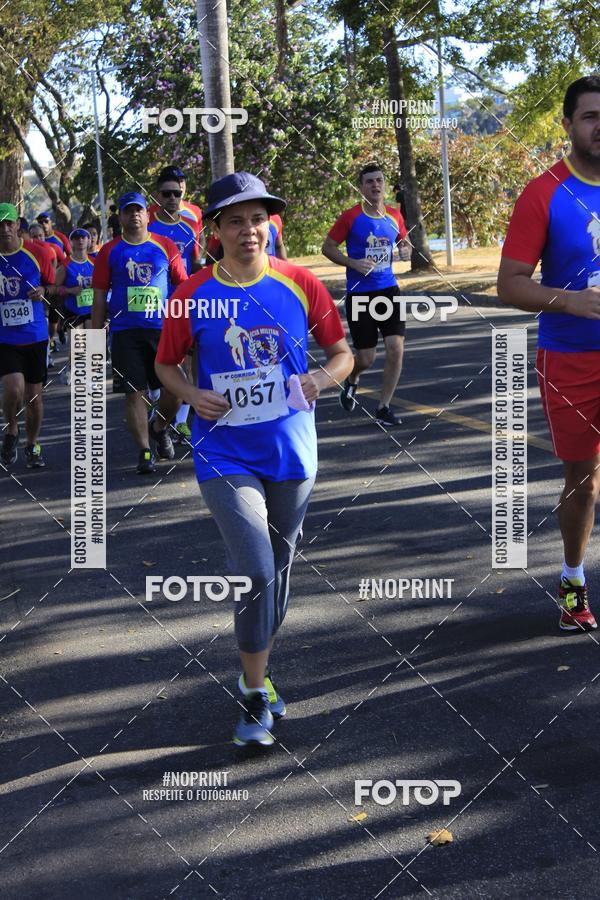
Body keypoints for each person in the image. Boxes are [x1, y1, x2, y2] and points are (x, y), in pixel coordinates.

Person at [155, 172, 353, 747]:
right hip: (223, 451)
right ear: (214, 229)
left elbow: (340, 354)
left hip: (292, 452)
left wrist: (320, 377)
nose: (249, 230)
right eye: (235, 220)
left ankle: (261, 678)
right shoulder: (190, 293)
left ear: (271, 226)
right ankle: (251, 696)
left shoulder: (301, 284)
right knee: (256, 570)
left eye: (258, 219)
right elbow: (167, 365)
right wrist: (192, 395)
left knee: (279, 575)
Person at [498, 75, 600, 633]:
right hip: (572, 358)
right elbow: (510, 285)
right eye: (590, 116)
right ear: (568, 125)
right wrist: (572, 302)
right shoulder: (544, 193)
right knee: (583, 478)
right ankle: (572, 576)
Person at [91, 191, 188, 474]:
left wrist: (187, 325)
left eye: (139, 210)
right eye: (127, 211)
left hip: (162, 331)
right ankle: (145, 452)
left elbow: (183, 287)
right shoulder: (109, 251)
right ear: (120, 217)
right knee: (134, 393)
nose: (134, 215)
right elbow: (99, 297)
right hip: (125, 332)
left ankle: (158, 428)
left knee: (175, 389)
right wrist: (95, 338)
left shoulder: (166, 246)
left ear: (148, 215)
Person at [322, 163, 411, 427]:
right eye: (369, 181)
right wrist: (352, 263)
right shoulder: (350, 217)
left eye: (379, 180)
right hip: (361, 295)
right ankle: (352, 379)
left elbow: (403, 241)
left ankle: (383, 407)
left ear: (384, 185)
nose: (375, 185)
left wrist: (406, 250)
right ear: (362, 188)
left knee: (396, 348)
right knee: (366, 358)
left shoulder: (395, 216)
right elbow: (327, 248)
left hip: (389, 291)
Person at [148, 171, 203, 443]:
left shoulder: (189, 227)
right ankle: (158, 404)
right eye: (166, 194)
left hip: (184, 304)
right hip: (153, 305)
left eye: (176, 194)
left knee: (188, 362)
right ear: (157, 196)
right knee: (161, 363)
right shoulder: (147, 225)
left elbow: (195, 265)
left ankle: (180, 422)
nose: (172, 198)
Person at [0, 202, 55, 468]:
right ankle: (11, 428)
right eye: (0, 224)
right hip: (5, 338)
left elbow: (52, 283)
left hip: (35, 335)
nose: (5, 228)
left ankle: (32, 443)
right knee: (13, 388)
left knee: (33, 397)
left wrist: (44, 290)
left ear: (18, 225)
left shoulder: (38, 252)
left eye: (9, 223)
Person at [206, 211, 287, 262]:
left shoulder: (275, 219)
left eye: (257, 220)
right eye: (236, 222)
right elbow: (212, 253)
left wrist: (284, 268)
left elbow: (279, 246)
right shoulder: (226, 227)